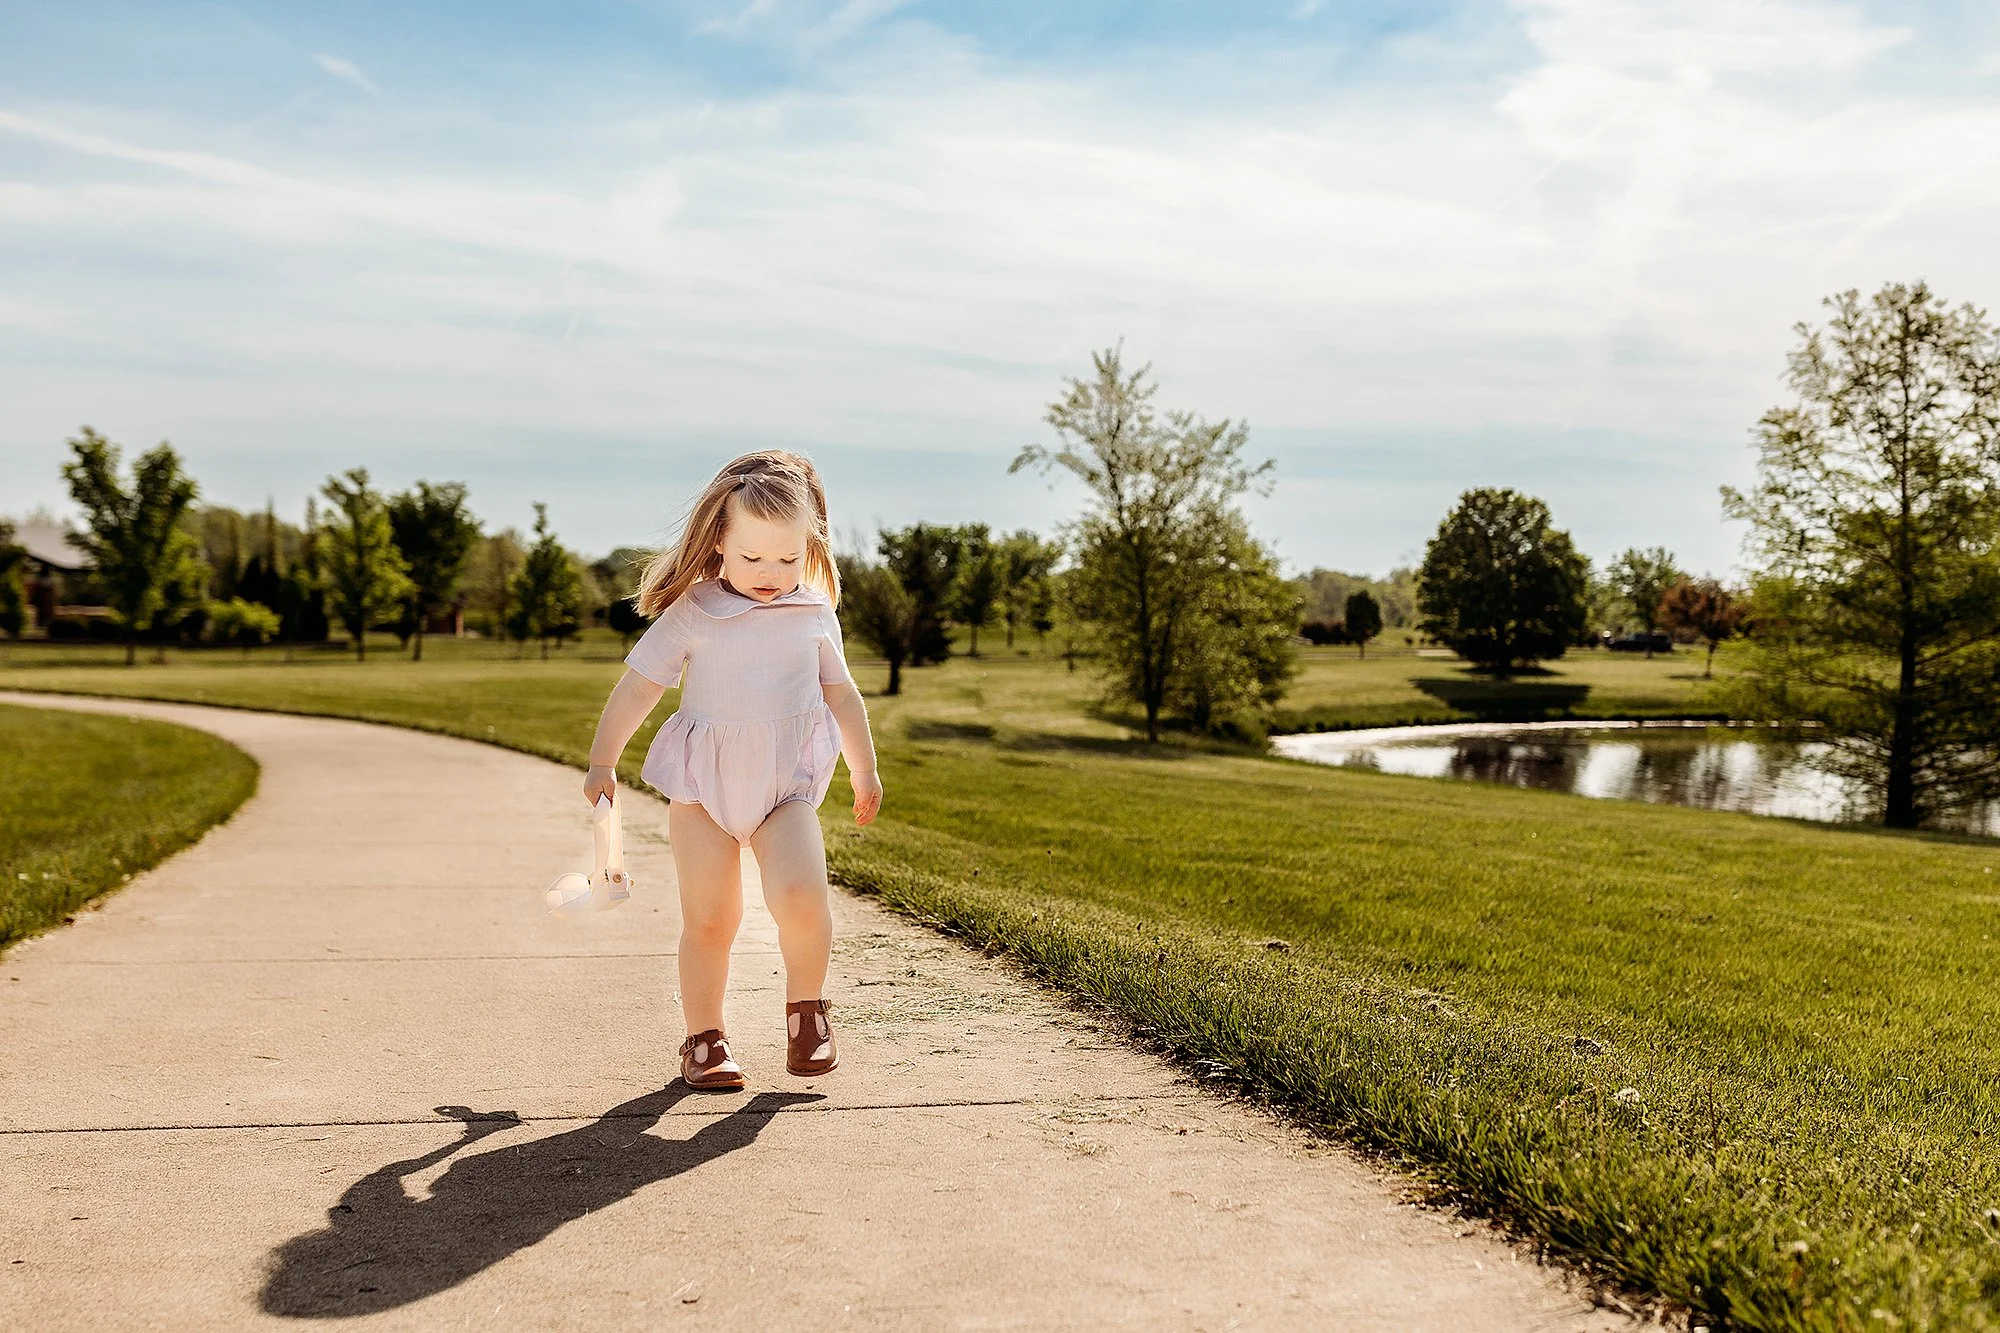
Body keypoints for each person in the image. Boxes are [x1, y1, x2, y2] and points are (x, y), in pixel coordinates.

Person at [583, 451, 883, 1090]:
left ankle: (808, 1014)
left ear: (809, 546)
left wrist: (864, 771)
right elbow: (639, 687)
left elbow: (842, 695)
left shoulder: (812, 613)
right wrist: (603, 760)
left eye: (787, 558)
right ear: (719, 541)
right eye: (752, 558)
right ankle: (704, 1039)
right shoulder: (693, 611)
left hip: (787, 788)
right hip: (702, 790)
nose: (771, 573)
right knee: (712, 918)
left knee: (802, 897)